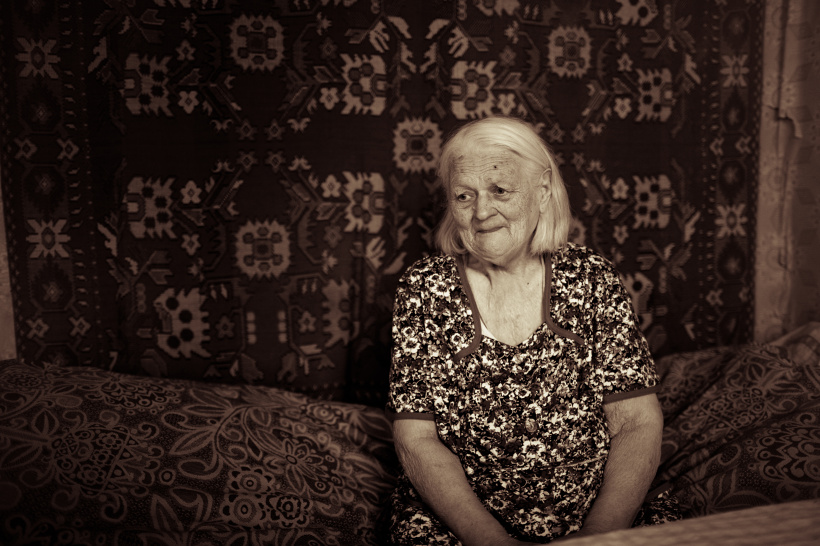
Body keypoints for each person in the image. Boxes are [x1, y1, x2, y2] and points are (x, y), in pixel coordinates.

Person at [386, 115, 679, 545]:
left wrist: (599, 535)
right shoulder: (424, 287)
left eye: (500, 190)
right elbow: (416, 439)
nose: (481, 212)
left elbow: (637, 422)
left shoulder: (590, 278)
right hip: (464, 522)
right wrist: (490, 540)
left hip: (595, 514)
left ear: (542, 192)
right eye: (464, 196)